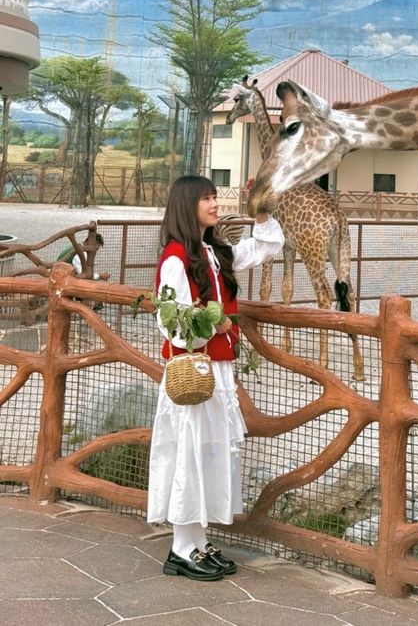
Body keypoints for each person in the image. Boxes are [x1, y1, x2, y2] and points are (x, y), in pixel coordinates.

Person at [147, 174, 284, 581]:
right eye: (206, 198)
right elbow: (172, 321)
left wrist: (260, 207)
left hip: (216, 370)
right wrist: (215, 322)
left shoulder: (212, 251)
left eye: (214, 196)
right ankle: (181, 548)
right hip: (194, 370)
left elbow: (265, 246)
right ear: (186, 205)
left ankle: (198, 540)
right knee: (190, 451)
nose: (214, 203)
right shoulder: (176, 258)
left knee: (208, 452)